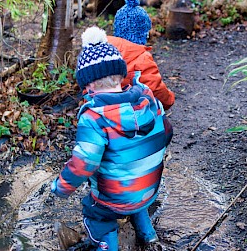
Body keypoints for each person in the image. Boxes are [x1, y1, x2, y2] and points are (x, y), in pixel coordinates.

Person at [51, 26, 173, 251]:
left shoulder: (94, 117)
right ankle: (148, 236)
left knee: (95, 214)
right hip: (149, 188)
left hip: (115, 199)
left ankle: (108, 245)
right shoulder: (147, 98)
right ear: (120, 75)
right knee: (131, 185)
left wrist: (62, 187)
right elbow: (167, 133)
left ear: (89, 84)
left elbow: (83, 164)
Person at [108, 0, 175, 110]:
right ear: (144, 33)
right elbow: (155, 88)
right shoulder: (141, 58)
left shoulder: (102, 50)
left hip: (100, 112)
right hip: (128, 115)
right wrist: (169, 99)